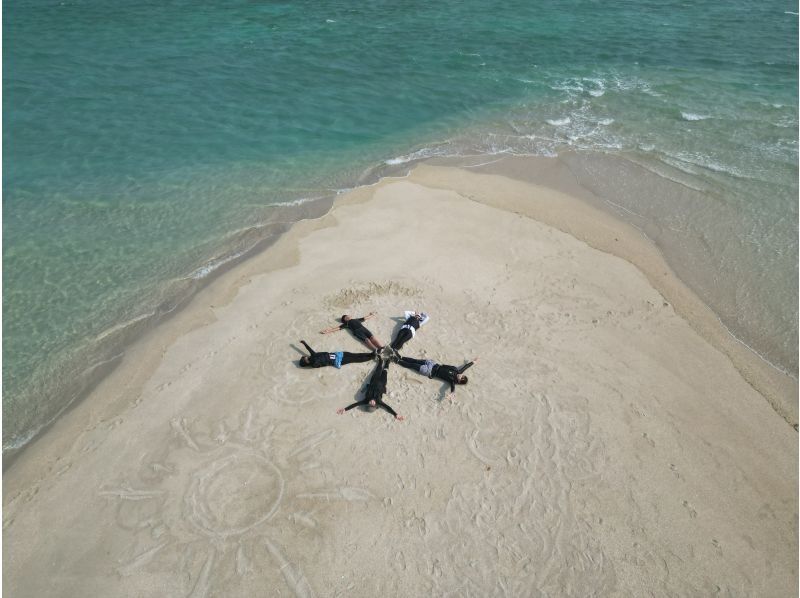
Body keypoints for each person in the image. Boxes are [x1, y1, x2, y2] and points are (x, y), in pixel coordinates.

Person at [336, 359, 404, 420]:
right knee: (385, 372)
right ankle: (388, 361)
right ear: (375, 405)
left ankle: (380, 360)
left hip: (374, 380)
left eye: (369, 404)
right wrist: (396, 414)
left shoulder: (365, 400)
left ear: (367, 404)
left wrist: (345, 409)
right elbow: (388, 408)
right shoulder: (379, 402)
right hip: (382, 383)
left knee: (378, 369)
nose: (371, 403)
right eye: (373, 404)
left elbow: (355, 404)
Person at [396, 355, 478, 395]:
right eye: (462, 376)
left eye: (461, 379)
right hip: (433, 364)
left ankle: (397, 360)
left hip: (429, 371)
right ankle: (401, 357)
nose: (460, 376)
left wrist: (452, 394)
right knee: (415, 360)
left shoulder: (452, 380)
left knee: (412, 365)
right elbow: (466, 366)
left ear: (459, 381)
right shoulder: (459, 371)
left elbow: (453, 388)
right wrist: (473, 362)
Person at [298, 340, 375, 368]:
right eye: (304, 358)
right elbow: (321, 362)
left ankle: (371, 354)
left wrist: (304, 343)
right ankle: (371, 357)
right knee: (355, 359)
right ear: (305, 361)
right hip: (339, 361)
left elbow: (309, 349)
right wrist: (309, 361)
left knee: (355, 355)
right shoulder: (314, 364)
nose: (304, 356)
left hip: (338, 354)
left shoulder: (313, 356)